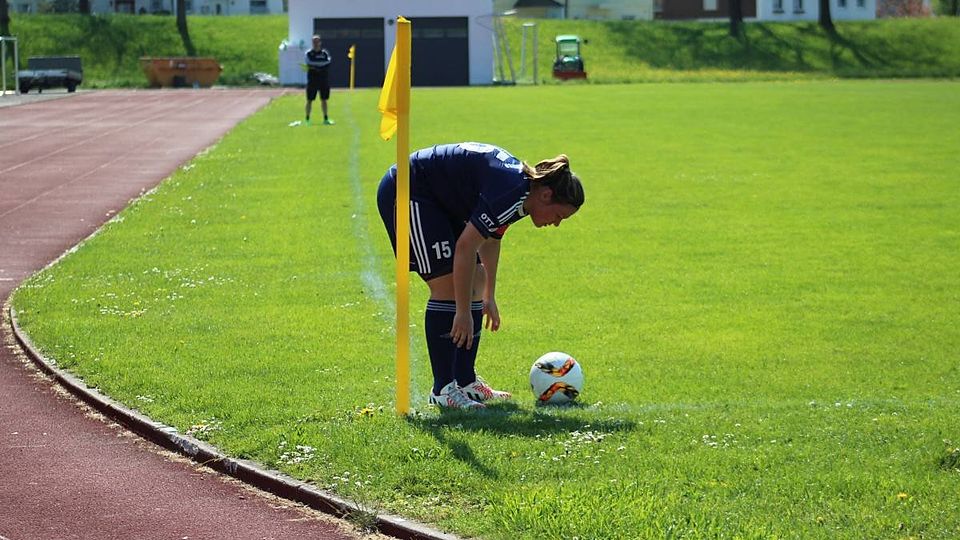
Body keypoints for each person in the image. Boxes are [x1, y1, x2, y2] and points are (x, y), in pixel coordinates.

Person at [376, 142, 585, 410]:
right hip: (409, 189)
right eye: (558, 216)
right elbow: (465, 248)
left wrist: (489, 296)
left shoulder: (523, 193)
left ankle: (465, 381)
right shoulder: (511, 191)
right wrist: (463, 312)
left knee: (477, 280)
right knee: (446, 288)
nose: (555, 223)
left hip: (439, 201)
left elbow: (491, 239)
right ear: (546, 195)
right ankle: (442, 389)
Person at [304, 35, 333, 125]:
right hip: (312, 80)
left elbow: (328, 62)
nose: (316, 44)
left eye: (317, 42)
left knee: (324, 99)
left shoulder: (324, 53)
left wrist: (316, 66)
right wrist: (320, 65)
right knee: (309, 100)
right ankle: (307, 119)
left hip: (323, 79)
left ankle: (326, 118)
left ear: (320, 43)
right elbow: (309, 62)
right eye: (314, 42)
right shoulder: (309, 54)